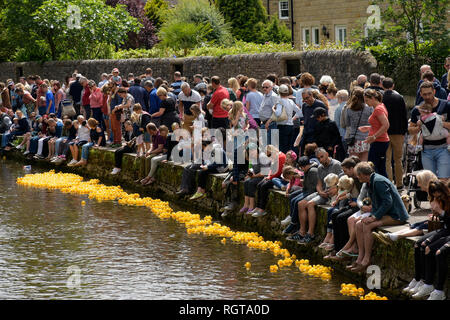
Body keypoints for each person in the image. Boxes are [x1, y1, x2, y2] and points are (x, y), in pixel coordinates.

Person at [350, 162, 409, 273]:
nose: (357, 178)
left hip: (396, 215)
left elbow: (388, 202)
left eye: (358, 175)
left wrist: (374, 217)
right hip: (387, 213)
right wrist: (372, 215)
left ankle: (366, 260)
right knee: (358, 224)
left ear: (363, 174)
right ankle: (360, 257)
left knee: (368, 225)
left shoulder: (378, 181)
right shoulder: (370, 181)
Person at [406, 180, 450, 300]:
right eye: (434, 195)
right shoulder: (440, 200)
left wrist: (441, 212)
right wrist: (437, 213)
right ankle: (421, 280)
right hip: (445, 230)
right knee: (420, 244)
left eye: (439, 195)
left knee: (437, 252)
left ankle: (438, 289)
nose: (437, 197)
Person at [373, 170, 438, 245]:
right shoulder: (430, 193)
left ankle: (395, 236)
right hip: (435, 218)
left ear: (425, 181)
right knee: (415, 225)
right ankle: (390, 235)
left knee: (422, 226)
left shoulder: (435, 193)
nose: (418, 185)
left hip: (440, 222)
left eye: (419, 182)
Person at [295, 148, 343, 244]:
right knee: (300, 204)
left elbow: (342, 181)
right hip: (323, 193)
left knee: (310, 204)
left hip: (335, 193)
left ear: (327, 154)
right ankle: (302, 232)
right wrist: (320, 192)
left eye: (322, 156)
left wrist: (336, 189)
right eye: (318, 158)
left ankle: (311, 233)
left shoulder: (337, 164)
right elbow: (319, 183)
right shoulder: (320, 167)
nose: (320, 160)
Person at [408, 81, 450, 178]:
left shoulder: (446, 106)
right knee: (430, 182)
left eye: (429, 93)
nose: (427, 97)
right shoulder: (417, 110)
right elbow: (410, 130)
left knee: (444, 179)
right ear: (421, 94)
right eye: (424, 94)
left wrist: (438, 122)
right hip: (426, 149)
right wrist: (419, 127)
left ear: (434, 92)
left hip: (444, 148)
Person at [282, 156, 319, 237]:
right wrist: (301, 177)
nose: (301, 169)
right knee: (292, 198)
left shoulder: (313, 171)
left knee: (296, 201)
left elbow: (314, 187)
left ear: (305, 166)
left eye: (302, 167)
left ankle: (294, 224)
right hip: (306, 190)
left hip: (311, 191)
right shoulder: (308, 170)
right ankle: (292, 219)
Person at [382, 77, 408, 189]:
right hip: (398, 132)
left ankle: (389, 182)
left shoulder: (381, 98)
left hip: (385, 132)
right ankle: (400, 183)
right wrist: (404, 131)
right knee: (398, 159)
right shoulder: (399, 97)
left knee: (387, 159)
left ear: (382, 86)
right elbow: (404, 115)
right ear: (393, 86)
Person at [358, 89, 390, 177]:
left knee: (373, 167)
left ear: (373, 98)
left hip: (379, 141)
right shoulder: (380, 106)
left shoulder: (378, 109)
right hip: (380, 141)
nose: (366, 103)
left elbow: (386, 125)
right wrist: (369, 128)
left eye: (366, 100)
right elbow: (380, 125)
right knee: (379, 168)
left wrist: (374, 136)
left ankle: (379, 187)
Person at [251, 145, 286, 217]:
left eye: (269, 154)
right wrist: (268, 176)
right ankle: (258, 206)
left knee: (264, 186)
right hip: (273, 175)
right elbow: (271, 169)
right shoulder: (275, 157)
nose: (269, 156)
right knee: (259, 185)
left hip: (278, 177)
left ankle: (262, 209)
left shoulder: (281, 157)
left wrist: (270, 177)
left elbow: (278, 171)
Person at [264, 84, 299, 154]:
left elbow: (277, 113)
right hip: (291, 126)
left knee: (282, 148)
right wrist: (292, 118)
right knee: (289, 148)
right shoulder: (291, 101)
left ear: (279, 92)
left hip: (282, 127)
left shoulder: (280, 101)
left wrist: (273, 109)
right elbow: (300, 112)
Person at [341, 87, 373, 161]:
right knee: (364, 162)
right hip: (366, 138)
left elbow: (347, 123)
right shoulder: (369, 108)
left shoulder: (349, 109)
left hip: (354, 139)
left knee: (353, 163)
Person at [240, 143, 269, 214]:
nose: (251, 153)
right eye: (250, 152)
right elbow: (253, 169)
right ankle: (246, 204)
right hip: (256, 176)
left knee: (251, 183)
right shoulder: (253, 157)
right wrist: (249, 174)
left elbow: (265, 172)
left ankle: (251, 205)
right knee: (246, 181)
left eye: (253, 151)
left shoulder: (262, 157)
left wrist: (254, 176)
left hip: (263, 176)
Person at [297, 88, 327, 155]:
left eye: (307, 98)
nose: (306, 100)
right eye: (304, 99)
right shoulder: (304, 106)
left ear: (311, 96)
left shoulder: (320, 105)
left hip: (317, 137)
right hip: (306, 136)